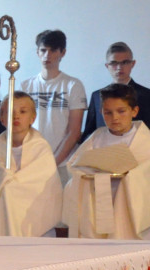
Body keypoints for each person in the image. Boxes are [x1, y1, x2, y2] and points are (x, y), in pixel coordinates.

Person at [62, 82, 150, 239]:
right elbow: (74, 168)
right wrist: (89, 173)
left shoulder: (145, 142)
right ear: (101, 112)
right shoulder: (95, 139)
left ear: (134, 111)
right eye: (108, 112)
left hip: (130, 211)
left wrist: (129, 175)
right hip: (95, 210)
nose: (115, 118)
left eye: (121, 111)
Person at [0, 92, 62, 236]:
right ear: (2, 119)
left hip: (34, 220)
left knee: (9, 190)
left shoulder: (41, 147)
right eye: (10, 112)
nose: (16, 116)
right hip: (2, 218)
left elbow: (43, 185)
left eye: (23, 111)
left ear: (33, 118)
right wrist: (5, 182)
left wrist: (12, 185)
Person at [21, 29, 86, 168]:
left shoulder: (73, 85)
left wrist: (53, 162)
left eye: (53, 50)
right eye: (43, 50)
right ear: (37, 52)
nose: (47, 55)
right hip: (31, 161)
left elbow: (74, 132)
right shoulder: (25, 86)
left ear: (63, 52)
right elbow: (21, 126)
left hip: (63, 164)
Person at [82, 42, 150, 139]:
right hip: (103, 147)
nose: (119, 67)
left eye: (125, 62)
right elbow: (89, 132)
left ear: (133, 64)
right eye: (114, 63)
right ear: (107, 66)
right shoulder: (97, 96)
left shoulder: (147, 95)